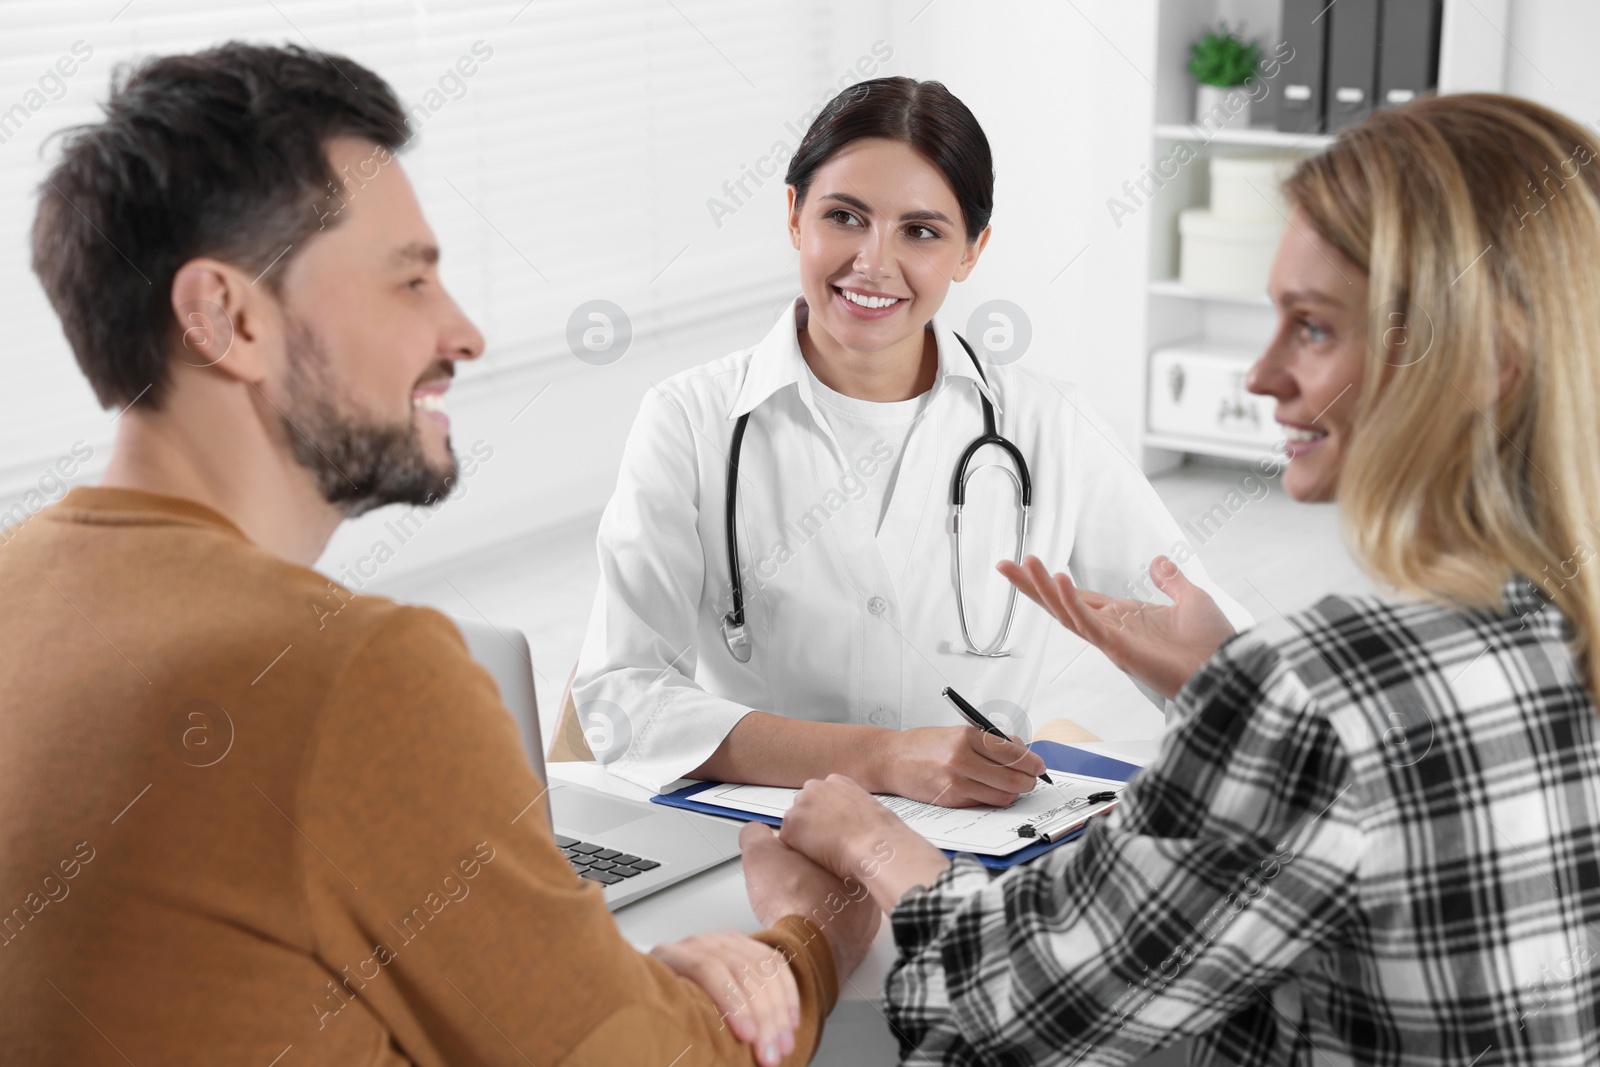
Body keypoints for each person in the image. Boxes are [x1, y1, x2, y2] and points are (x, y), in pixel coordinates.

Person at [0, 43, 877, 1067]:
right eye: (410, 279)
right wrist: (815, 932)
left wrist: (613, 990)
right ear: (226, 317)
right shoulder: (344, 675)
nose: (462, 332)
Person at [745, 92, 1600, 1064]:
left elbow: (1014, 1013)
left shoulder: (1320, 689)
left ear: (1482, 359)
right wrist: (1224, 682)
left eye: (1313, 329)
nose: (1261, 376)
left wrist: (868, 844)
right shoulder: (1548, 625)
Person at [573, 76, 1251, 804]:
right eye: (845, 216)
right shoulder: (688, 421)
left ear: (971, 250)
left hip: (979, 843)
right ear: (795, 215)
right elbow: (622, 699)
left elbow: (1210, 656)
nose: (873, 262)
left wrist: (1226, 673)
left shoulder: (1050, 427)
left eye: (921, 231)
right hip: (760, 833)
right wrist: (882, 758)